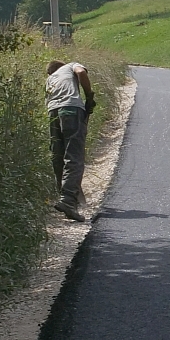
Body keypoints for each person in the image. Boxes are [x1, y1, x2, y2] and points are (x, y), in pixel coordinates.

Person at [46, 59, 97, 221]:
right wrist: (89, 96)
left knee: (58, 156)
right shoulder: (70, 66)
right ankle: (68, 200)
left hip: (53, 112)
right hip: (71, 110)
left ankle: (66, 197)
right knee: (74, 156)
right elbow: (81, 72)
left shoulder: (50, 79)